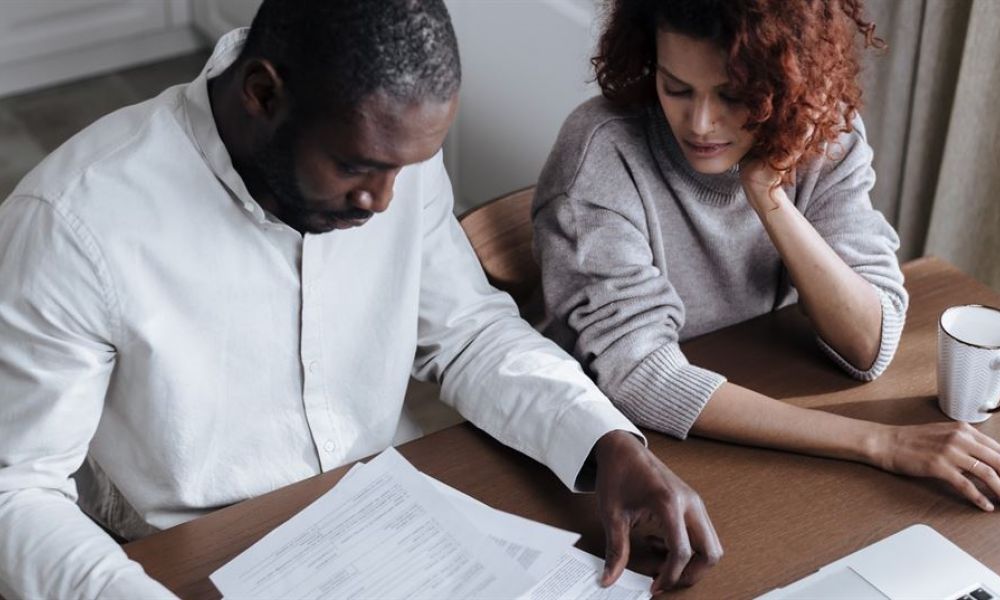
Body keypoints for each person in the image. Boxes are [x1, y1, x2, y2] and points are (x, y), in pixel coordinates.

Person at [0, 1, 721, 598]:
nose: (382, 202)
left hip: (387, 526)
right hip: (183, 559)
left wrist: (605, 441)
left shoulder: (386, 148)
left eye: (405, 169)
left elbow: (466, 333)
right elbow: (17, 491)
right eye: (356, 168)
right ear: (262, 94)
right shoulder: (73, 223)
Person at [533, 0, 1000, 521]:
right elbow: (641, 374)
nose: (701, 123)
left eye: (733, 96)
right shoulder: (601, 153)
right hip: (615, 457)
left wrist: (768, 195)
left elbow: (870, 343)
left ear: (785, 80)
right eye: (676, 88)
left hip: (754, 421)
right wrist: (879, 442)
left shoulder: (820, 130)